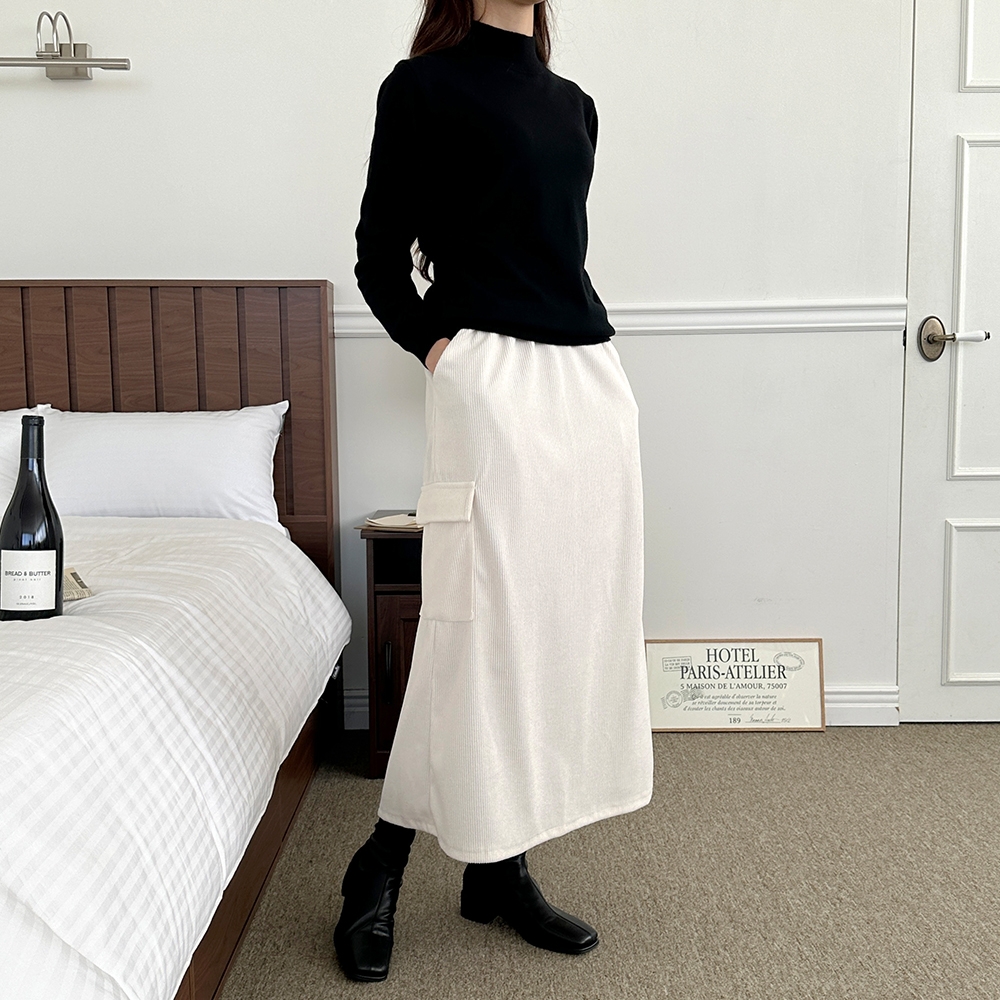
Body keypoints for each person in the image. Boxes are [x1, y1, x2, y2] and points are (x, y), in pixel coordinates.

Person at [334, 0, 654, 982]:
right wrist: (446, 354)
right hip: (491, 380)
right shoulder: (421, 88)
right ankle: (379, 864)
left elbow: (556, 255)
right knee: (473, 625)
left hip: (589, 383)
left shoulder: (575, 105)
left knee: (561, 621)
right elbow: (377, 256)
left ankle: (498, 865)